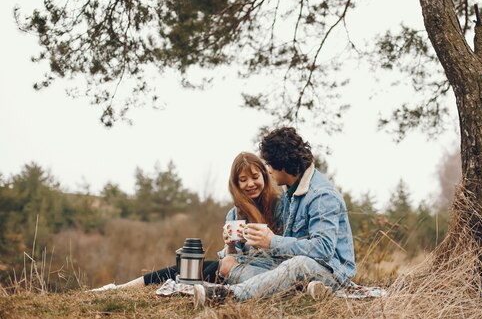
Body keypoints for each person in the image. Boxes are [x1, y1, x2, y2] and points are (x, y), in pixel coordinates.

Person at [194, 127, 356, 306]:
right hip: (291, 266)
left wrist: (272, 241)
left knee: (298, 264)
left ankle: (228, 295)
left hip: (331, 272)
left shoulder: (321, 195)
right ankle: (299, 290)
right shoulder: (290, 193)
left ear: (282, 165)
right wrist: (237, 247)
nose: (269, 171)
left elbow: (323, 249)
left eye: (269, 165)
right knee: (229, 263)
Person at [88, 152, 283, 291]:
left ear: (264, 177)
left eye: (255, 177)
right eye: (243, 179)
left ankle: (119, 289)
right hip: (232, 268)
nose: (250, 184)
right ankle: (120, 288)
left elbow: (284, 251)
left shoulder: (279, 206)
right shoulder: (235, 214)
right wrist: (229, 245)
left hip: (261, 273)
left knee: (195, 269)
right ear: (236, 184)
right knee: (187, 267)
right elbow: (231, 256)